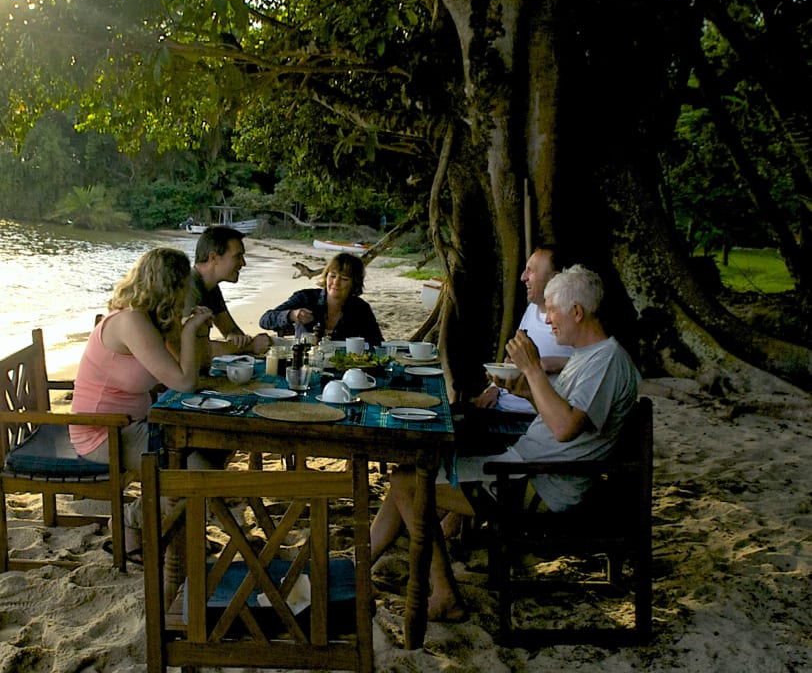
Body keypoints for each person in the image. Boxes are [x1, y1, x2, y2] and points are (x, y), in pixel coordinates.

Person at [370, 265, 641, 621]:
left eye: (552, 310)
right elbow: (560, 417)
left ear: (577, 311)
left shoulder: (606, 362)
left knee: (408, 483)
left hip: (540, 486)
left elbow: (565, 429)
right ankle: (358, 565)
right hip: (526, 470)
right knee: (407, 477)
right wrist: (526, 390)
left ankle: (444, 594)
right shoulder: (589, 357)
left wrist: (531, 369)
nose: (548, 321)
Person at [69, 247, 225, 560]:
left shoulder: (150, 320)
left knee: (216, 447)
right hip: (104, 433)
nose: (187, 293)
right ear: (171, 286)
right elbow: (185, 382)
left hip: (137, 423)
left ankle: (169, 527)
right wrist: (191, 329)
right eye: (183, 286)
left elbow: (190, 369)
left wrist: (189, 332)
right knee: (199, 468)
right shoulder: (131, 322)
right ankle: (131, 520)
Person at [463, 244, 575, 438]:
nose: (523, 277)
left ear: (555, 279)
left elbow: (598, 362)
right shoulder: (532, 309)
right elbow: (511, 360)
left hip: (528, 419)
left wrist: (559, 363)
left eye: (531, 271)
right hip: (499, 406)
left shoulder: (573, 321)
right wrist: (494, 388)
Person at [258, 252, 384, 348]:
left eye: (344, 279)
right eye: (332, 276)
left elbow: (377, 343)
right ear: (326, 276)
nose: (336, 283)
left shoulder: (360, 308)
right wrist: (292, 315)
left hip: (343, 370)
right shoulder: (305, 298)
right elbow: (264, 320)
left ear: (354, 283)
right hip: (305, 365)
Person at [185, 226, 272, 357]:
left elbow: (230, 329)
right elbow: (191, 349)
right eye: (238, 256)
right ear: (213, 258)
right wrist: (250, 345)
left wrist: (235, 338)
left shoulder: (210, 287)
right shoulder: (187, 287)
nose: (243, 263)